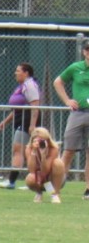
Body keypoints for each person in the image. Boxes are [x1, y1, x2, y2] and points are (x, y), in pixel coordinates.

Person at [52, 41, 89, 200]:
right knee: (68, 151)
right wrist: (67, 100)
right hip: (78, 112)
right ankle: (56, 188)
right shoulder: (76, 67)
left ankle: (88, 189)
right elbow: (58, 82)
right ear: (85, 52)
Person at [0, 63, 40, 190]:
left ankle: (14, 181)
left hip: (27, 120)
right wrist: (6, 121)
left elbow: (35, 106)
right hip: (21, 118)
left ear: (26, 73)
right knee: (26, 151)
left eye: (18, 70)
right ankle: (34, 181)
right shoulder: (22, 86)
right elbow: (17, 108)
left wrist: (32, 125)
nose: (15, 73)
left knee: (20, 150)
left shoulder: (29, 85)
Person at [25, 127, 64, 203]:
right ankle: (39, 192)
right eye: (36, 140)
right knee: (30, 178)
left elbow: (45, 171)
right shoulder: (29, 148)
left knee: (58, 163)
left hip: (53, 177)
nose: (39, 143)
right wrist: (33, 152)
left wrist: (43, 155)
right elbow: (31, 170)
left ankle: (55, 194)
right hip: (39, 178)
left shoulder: (53, 149)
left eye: (41, 141)